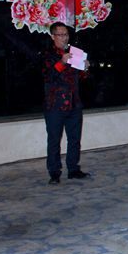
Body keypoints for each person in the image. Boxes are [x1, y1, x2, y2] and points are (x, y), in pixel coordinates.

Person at [42, 22, 90, 185]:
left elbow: (80, 77)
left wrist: (85, 68)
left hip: (74, 103)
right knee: (54, 140)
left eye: (66, 35)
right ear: (53, 36)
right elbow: (48, 76)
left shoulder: (74, 53)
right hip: (55, 104)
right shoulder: (47, 54)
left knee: (74, 139)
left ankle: (73, 169)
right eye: (60, 35)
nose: (64, 38)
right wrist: (62, 62)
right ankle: (54, 173)